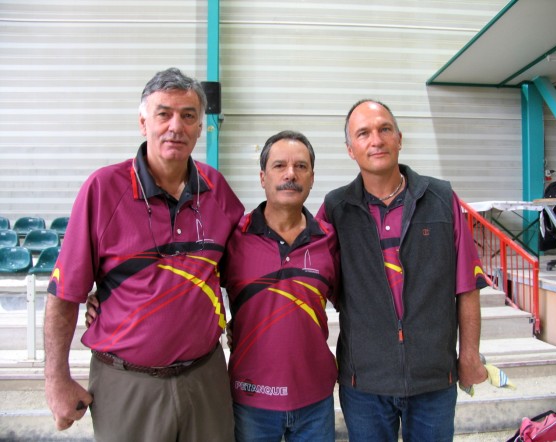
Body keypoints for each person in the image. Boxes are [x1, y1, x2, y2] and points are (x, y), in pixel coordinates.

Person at [43, 67, 244, 441]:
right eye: (163, 114)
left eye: (188, 116)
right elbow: (64, 295)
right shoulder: (103, 189)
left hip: (205, 377)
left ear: (200, 127)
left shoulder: (216, 189)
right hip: (127, 383)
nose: (176, 126)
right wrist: (56, 380)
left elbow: (242, 269)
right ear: (143, 123)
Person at [316, 99, 488, 441]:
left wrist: (469, 355)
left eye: (384, 129)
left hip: (434, 378)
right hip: (364, 383)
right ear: (350, 150)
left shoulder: (441, 198)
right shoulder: (336, 209)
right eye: (363, 133)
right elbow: (312, 283)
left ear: (399, 138)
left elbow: (467, 286)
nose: (376, 140)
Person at [223, 130, 339, 441]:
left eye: (301, 166)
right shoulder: (234, 236)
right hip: (251, 398)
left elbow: (355, 301)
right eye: (279, 166)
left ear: (312, 178)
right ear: (263, 177)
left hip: (315, 399)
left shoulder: (329, 239)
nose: (291, 174)